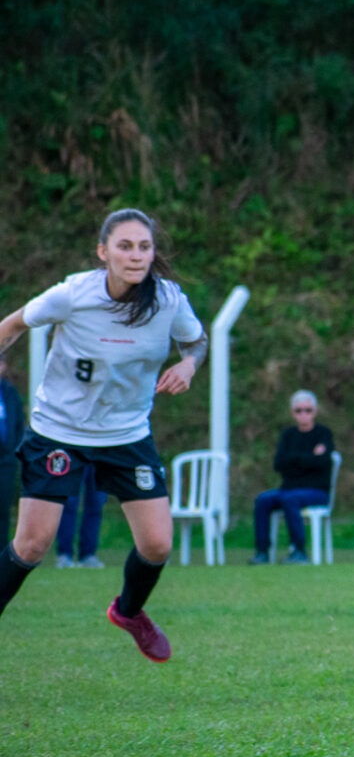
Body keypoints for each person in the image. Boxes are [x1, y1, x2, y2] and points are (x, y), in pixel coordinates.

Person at [0, 208, 206, 661]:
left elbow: (196, 340)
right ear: (103, 253)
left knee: (157, 544)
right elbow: (12, 326)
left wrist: (188, 364)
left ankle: (129, 612)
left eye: (144, 246)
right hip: (58, 430)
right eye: (125, 246)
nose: (136, 255)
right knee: (32, 545)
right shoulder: (72, 295)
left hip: (126, 433)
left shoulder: (169, 299)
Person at [253, 390, 336, 565]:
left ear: (314, 411)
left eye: (308, 410)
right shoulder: (288, 435)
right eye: (299, 410)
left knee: (290, 499)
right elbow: (279, 464)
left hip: (316, 491)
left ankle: (298, 550)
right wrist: (309, 458)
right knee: (263, 500)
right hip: (288, 489)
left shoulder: (323, 434)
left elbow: (322, 463)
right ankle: (262, 552)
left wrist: (294, 460)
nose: (303, 414)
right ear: (293, 412)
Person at [54, 463, 109, 568]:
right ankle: (64, 554)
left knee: (96, 504)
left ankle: (88, 555)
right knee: (69, 503)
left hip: (101, 453)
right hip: (75, 452)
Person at [0, 354, 22, 550]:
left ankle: (2, 552)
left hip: (5, 461)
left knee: (3, 508)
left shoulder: (9, 392)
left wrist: (13, 450)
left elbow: (17, 424)